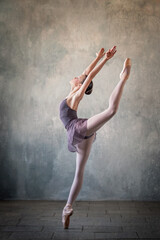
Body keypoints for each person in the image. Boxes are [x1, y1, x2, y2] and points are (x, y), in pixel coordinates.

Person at [59, 46, 131, 228]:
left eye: (78, 78)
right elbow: (86, 73)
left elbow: (88, 76)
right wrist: (99, 56)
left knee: (111, 111)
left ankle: (123, 79)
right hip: (82, 134)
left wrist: (105, 60)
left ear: (79, 85)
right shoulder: (73, 92)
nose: (77, 75)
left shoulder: (74, 96)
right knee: (79, 172)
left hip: (78, 129)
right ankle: (67, 208)